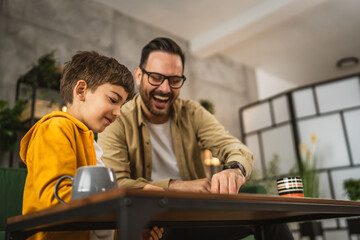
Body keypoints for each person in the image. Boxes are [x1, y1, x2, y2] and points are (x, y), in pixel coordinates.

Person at [98, 37, 293, 239]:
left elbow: (233, 147)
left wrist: (235, 170)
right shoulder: (118, 117)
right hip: (152, 221)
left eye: (174, 80)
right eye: (156, 77)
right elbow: (115, 183)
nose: (165, 89)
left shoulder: (192, 112)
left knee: (272, 219)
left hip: (198, 214)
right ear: (139, 76)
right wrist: (176, 187)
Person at [20, 51, 163, 240]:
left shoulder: (90, 143)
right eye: (113, 100)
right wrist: (131, 199)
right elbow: (57, 200)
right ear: (81, 91)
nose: (118, 113)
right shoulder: (55, 128)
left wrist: (132, 229)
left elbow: (96, 220)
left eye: (121, 105)